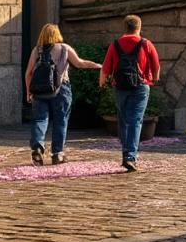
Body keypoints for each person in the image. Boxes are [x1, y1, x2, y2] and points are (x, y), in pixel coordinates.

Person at [25, 24, 101, 165]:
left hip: (39, 91)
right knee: (61, 120)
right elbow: (80, 63)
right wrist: (97, 65)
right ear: (57, 34)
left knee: (40, 119)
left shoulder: (37, 50)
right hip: (61, 90)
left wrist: (29, 92)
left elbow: (28, 73)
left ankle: (37, 148)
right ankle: (57, 154)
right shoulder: (64, 48)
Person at [100, 14, 161, 172]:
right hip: (140, 86)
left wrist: (102, 83)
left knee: (123, 120)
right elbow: (156, 66)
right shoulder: (146, 44)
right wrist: (154, 79)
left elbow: (105, 68)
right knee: (135, 120)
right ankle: (129, 157)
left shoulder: (115, 44)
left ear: (125, 27)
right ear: (139, 27)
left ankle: (126, 153)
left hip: (120, 87)